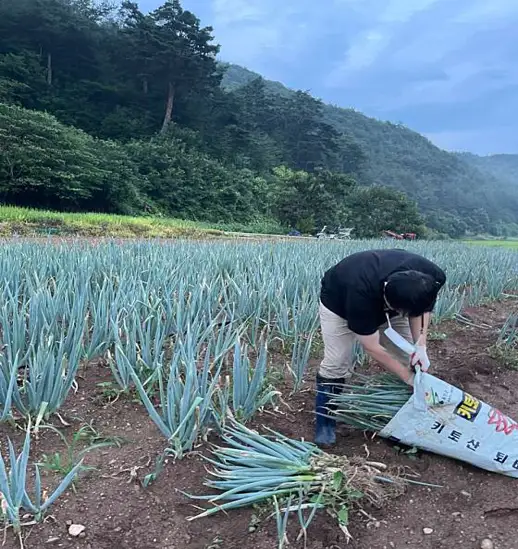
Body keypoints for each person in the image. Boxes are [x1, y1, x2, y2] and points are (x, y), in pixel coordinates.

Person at [315, 248, 446, 447]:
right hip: (338, 303)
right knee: (337, 362)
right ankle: (324, 421)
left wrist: (421, 345)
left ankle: (405, 417)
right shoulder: (359, 293)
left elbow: (421, 310)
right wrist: (408, 377)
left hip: (393, 300)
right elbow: (371, 346)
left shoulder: (431, 277)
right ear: (389, 300)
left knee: (407, 357)